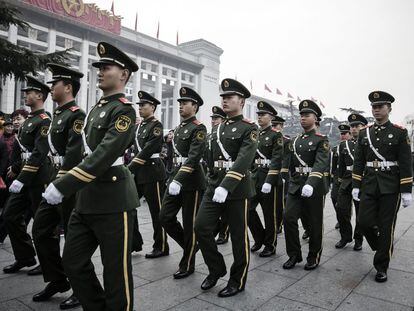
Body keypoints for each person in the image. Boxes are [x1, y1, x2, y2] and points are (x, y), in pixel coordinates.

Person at [43, 42, 139, 310]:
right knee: (72, 261)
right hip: (86, 200)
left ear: (123, 74)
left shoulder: (124, 110)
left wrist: (64, 185)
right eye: (98, 66)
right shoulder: (97, 108)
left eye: (106, 67)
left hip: (113, 200)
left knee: (115, 273)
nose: (100, 71)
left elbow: (104, 155)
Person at [195, 78, 257, 298]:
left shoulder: (249, 128)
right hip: (214, 187)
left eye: (229, 97)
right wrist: (213, 182)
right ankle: (216, 268)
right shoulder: (217, 128)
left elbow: (244, 159)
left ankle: (237, 280)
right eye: (223, 97)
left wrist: (227, 185)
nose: (225, 101)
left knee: (239, 238)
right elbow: (210, 158)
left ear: (241, 101)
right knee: (201, 227)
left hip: (237, 189)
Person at [31, 63, 85, 309]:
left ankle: (81, 288)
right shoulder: (57, 115)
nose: (50, 88)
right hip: (53, 179)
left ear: (68, 87)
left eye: (55, 84)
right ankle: (57, 279)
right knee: (41, 231)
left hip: (67, 183)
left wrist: (60, 185)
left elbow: (74, 155)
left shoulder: (76, 115)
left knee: (74, 239)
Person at [352, 91, 412, 282]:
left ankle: (381, 266)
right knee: (363, 222)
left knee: (387, 227)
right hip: (369, 183)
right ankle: (382, 246)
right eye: (374, 107)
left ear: (389, 108)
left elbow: (405, 162)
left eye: (380, 106)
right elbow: (359, 161)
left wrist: (406, 190)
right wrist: (356, 184)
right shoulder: (364, 133)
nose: (376, 110)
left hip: (391, 186)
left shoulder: (400, 132)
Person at [3, 75, 52, 274]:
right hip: (23, 175)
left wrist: (21, 176)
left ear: (40, 95)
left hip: (38, 178)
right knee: (10, 215)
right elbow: (18, 148)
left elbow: (39, 153)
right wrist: (14, 167)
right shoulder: (28, 120)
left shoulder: (44, 120)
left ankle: (47, 264)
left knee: (42, 224)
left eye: (29, 93)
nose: (26, 95)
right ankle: (25, 256)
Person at [159, 86, 207, 279]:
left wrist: (178, 179)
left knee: (190, 224)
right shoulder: (178, 128)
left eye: (184, 103)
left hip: (192, 182)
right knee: (164, 217)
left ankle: (187, 264)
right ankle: (191, 245)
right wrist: (172, 176)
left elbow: (194, 157)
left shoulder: (199, 128)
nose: (180, 106)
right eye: (179, 103)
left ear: (194, 106)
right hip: (175, 179)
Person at [282, 100, 329, 271]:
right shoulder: (294, 141)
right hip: (296, 186)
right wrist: (285, 178)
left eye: (306, 115)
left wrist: (311, 182)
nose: (302, 118)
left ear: (316, 119)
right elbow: (289, 164)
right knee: (288, 218)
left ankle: (313, 256)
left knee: (314, 223)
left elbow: (321, 163)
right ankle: (294, 254)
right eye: (301, 115)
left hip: (314, 186)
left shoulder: (321, 140)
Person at [129, 90, 169, 259]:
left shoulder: (156, 126)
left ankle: (161, 246)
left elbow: (148, 149)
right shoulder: (138, 127)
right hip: (139, 173)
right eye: (139, 105)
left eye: (143, 105)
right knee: (129, 206)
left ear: (152, 107)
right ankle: (135, 242)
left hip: (152, 173)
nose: (140, 108)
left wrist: (129, 167)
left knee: (156, 212)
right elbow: (127, 143)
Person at [248, 101, 283, 257]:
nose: (260, 117)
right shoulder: (255, 134)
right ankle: (259, 238)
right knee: (248, 210)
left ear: (271, 117)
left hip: (269, 179)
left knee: (270, 215)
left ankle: (270, 245)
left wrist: (269, 180)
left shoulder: (276, 135)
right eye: (259, 114)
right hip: (255, 178)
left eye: (263, 115)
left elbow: (277, 159)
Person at [335, 115, 367, 251]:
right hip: (347, 180)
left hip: (362, 180)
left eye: (357, 126)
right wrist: (338, 182)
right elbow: (340, 166)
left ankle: (358, 239)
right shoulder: (344, 144)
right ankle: (345, 236)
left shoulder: (368, 143)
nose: (354, 129)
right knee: (341, 209)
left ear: (364, 126)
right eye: (352, 126)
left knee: (361, 212)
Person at [208, 106, 229, 245]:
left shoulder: (226, 134)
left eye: (217, 118)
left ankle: (224, 233)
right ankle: (216, 230)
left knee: (225, 208)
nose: (214, 121)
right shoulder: (211, 135)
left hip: (227, 174)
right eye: (213, 118)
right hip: (214, 173)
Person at [273, 116, 290, 234]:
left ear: (281, 126)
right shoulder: (268, 138)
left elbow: (287, 159)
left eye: (276, 125)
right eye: (272, 125)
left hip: (281, 175)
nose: (273, 128)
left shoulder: (286, 141)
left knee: (280, 201)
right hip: (268, 174)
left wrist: (283, 173)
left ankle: (279, 224)